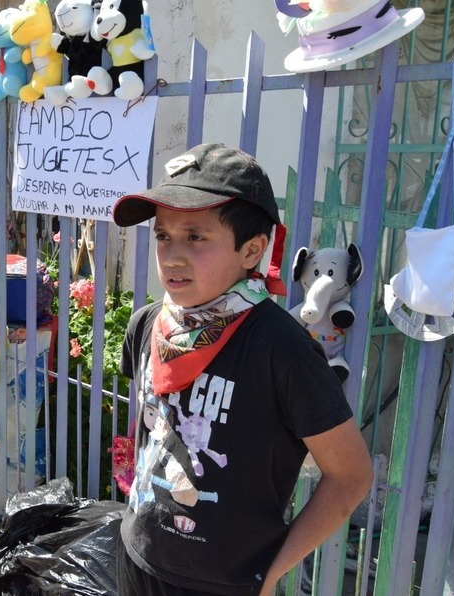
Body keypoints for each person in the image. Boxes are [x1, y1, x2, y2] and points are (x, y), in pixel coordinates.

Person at [111, 143, 373, 595]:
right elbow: (151, 430)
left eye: (195, 237)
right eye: (162, 236)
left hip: (224, 585)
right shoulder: (149, 323)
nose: (172, 255)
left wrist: (271, 573)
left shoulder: (283, 350)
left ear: (251, 251)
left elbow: (351, 476)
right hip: (137, 561)